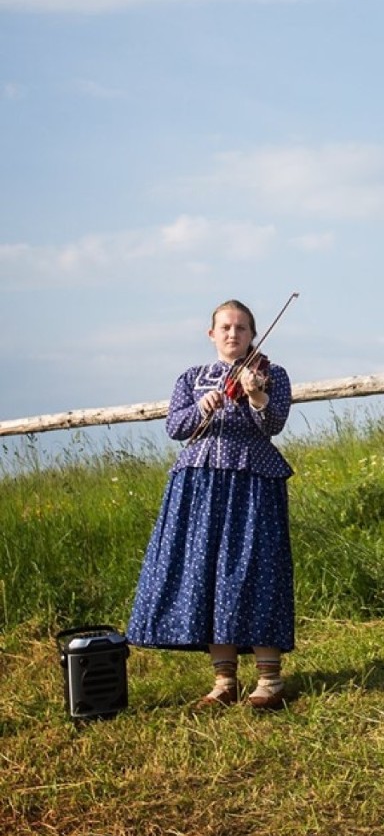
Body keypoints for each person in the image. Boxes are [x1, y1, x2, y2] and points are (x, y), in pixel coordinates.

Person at [128, 299, 295, 710]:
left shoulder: (272, 374)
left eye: (241, 328)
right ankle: (224, 682)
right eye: (225, 327)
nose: (233, 334)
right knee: (208, 573)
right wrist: (200, 406)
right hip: (199, 482)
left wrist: (256, 396)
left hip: (253, 479)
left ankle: (269, 681)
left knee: (256, 570)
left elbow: (273, 425)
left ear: (253, 335)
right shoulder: (191, 377)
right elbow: (174, 427)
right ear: (212, 333)